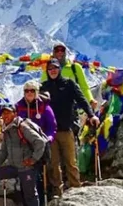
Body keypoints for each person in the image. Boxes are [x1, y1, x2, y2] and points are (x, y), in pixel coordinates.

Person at [40, 58, 99, 194]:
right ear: (47, 71)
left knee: (71, 162)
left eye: (55, 68)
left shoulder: (69, 84)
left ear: (59, 69)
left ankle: (76, 190)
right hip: (49, 132)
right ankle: (58, 192)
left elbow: (81, 99)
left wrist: (91, 115)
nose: (53, 71)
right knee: (53, 163)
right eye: (50, 69)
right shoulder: (43, 87)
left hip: (66, 128)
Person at [0, 104, 46, 206]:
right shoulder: (6, 129)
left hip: (27, 168)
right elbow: (4, 152)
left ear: (15, 114)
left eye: (8, 113)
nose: (5, 116)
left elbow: (40, 142)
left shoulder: (22, 127)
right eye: (3, 113)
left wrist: (33, 159)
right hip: (14, 167)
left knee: (30, 195)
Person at [16, 79, 57, 206]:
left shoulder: (45, 107)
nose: (29, 93)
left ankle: (39, 205)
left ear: (37, 92)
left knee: (38, 175)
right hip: (23, 146)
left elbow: (52, 127)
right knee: (24, 175)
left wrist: (48, 139)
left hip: (39, 146)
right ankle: (27, 204)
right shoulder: (18, 107)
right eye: (26, 91)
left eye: (32, 91)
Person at [40, 44, 96, 109]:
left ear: (65, 52)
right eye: (57, 50)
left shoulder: (75, 67)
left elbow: (84, 87)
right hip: (55, 107)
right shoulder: (47, 70)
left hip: (74, 107)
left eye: (62, 50)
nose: (60, 52)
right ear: (53, 53)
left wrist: (90, 100)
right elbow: (42, 90)